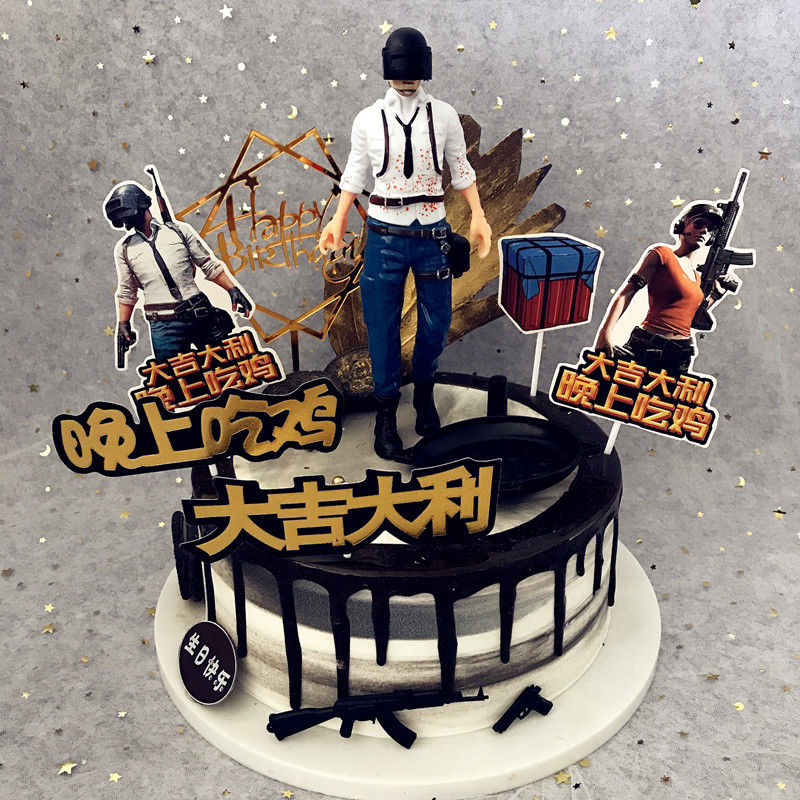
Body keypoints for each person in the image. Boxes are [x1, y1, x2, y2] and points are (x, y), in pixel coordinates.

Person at [319, 27, 492, 459]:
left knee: (436, 323)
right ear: (388, 68)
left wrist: (478, 215)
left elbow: (460, 167)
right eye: (400, 69)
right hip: (384, 236)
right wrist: (339, 217)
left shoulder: (444, 116)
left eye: (414, 69)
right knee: (381, 325)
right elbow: (355, 173)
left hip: (431, 233)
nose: (407, 78)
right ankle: (385, 411)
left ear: (425, 68)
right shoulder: (368, 119)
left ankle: (425, 391)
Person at [104, 181, 252, 366]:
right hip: (164, 327)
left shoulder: (179, 231)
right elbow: (127, 291)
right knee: (175, 377)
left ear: (141, 204)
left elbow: (208, 264)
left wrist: (232, 289)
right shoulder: (125, 249)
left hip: (200, 313)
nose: (127, 222)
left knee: (224, 368)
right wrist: (123, 323)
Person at [594, 202, 737, 375]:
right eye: (698, 224)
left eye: (710, 228)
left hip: (680, 356)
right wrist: (605, 333)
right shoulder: (662, 254)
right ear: (682, 226)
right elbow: (626, 293)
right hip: (648, 347)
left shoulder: (697, 277)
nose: (704, 230)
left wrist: (715, 295)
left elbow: (690, 317)